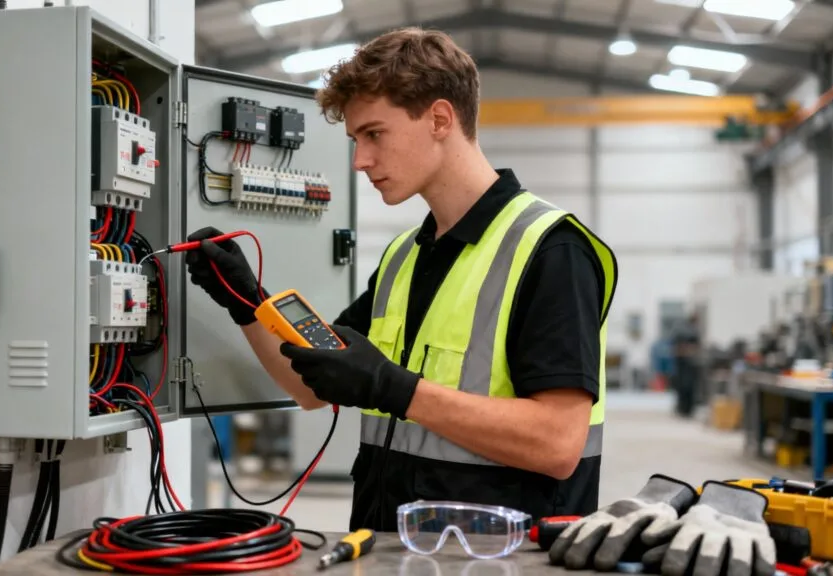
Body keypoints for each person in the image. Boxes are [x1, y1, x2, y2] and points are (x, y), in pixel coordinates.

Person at [184, 27, 618, 531]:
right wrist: (245, 300)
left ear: (439, 119)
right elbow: (310, 387)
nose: (359, 161)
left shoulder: (551, 249)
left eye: (374, 134)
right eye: (356, 140)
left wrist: (394, 388)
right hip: (389, 549)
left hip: (501, 556)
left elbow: (558, 445)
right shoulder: (404, 256)